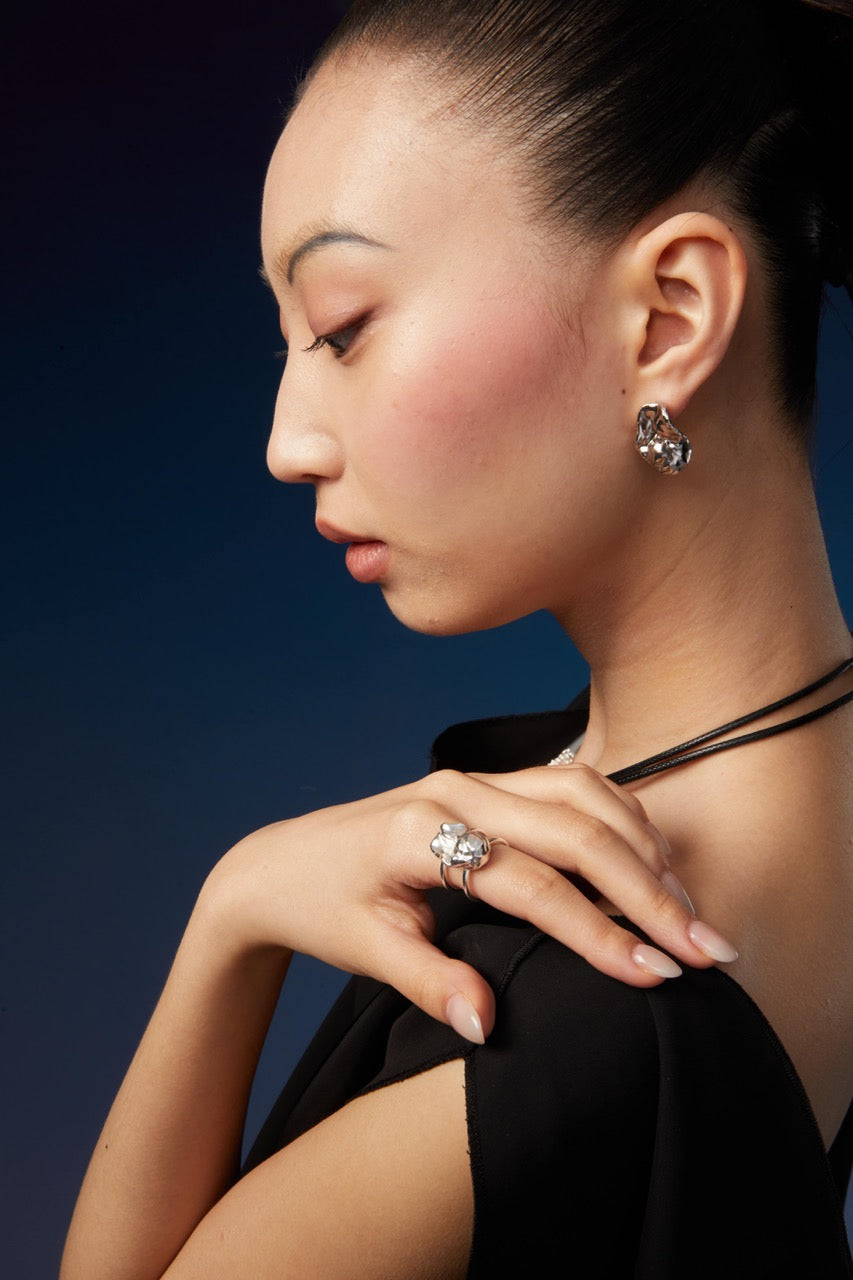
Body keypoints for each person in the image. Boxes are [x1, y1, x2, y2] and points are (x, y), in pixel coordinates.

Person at [60, 0, 853, 1276]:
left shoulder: (555, 1015)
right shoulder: (809, 804)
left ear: (669, 316)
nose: (286, 441)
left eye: (342, 327)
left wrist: (234, 911)